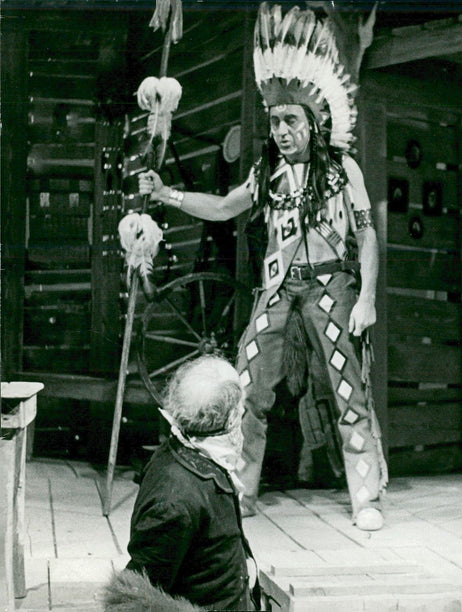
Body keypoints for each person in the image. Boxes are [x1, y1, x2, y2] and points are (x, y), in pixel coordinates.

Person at [139, 4, 387, 531]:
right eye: (274, 121)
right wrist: (168, 194)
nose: (279, 130)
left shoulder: (344, 171)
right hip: (276, 292)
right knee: (248, 388)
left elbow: (366, 234)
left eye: (289, 120)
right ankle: (240, 491)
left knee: (347, 390)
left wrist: (365, 298)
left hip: (331, 290)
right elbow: (227, 206)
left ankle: (365, 495)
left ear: (314, 123)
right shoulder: (266, 174)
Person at [118, 355, 260, 610]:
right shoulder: (175, 500)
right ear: (230, 420)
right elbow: (135, 594)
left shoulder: (193, 453)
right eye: (240, 411)